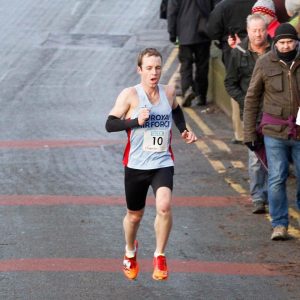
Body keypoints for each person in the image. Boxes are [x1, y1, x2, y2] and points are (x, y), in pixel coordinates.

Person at [105, 48, 197, 280]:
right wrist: (136, 120)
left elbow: (176, 111)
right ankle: (129, 250)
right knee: (134, 216)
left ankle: (160, 255)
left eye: (157, 67)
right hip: (136, 164)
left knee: (164, 206)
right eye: (149, 68)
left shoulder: (168, 92)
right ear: (140, 70)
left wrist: (184, 130)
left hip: (162, 162)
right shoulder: (130, 95)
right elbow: (110, 124)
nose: (154, 72)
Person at [243, 23, 300, 240]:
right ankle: (279, 224)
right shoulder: (264, 62)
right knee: (277, 176)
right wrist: (249, 133)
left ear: (296, 41)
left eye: (290, 42)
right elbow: (252, 98)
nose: (286, 46)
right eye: (282, 42)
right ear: (275, 42)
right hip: (274, 131)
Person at [224, 14, 271, 214]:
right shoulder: (239, 52)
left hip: (273, 112)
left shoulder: (276, 49)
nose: (258, 34)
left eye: (261, 30)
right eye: (254, 30)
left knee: (274, 155)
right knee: (255, 159)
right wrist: (246, 101)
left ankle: (272, 195)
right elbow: (229, 83)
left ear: (266, 29)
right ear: (248, 31)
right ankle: (258, 197)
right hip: (251, 114)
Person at [167, 0, 213, 106]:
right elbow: (215, 7)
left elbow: (172, 12)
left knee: (186, 65)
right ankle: (201, 96)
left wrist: (172, 33)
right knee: (202, 66)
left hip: (184, 34)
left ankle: (187, 90)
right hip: (203, 33)